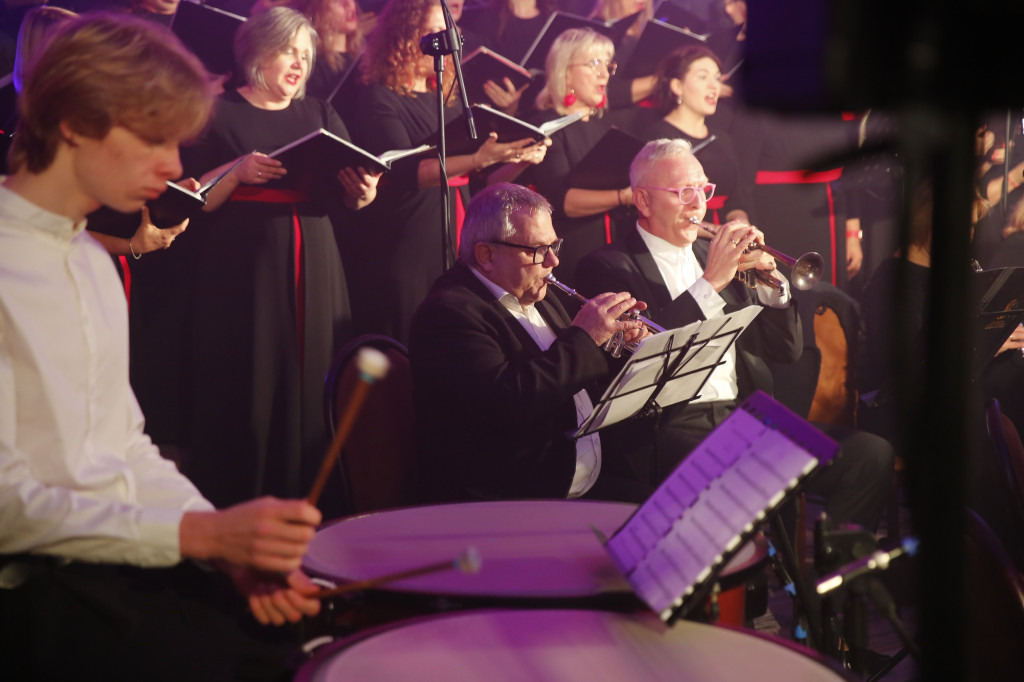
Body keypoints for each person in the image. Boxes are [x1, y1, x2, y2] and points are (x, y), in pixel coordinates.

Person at [0, 14, 322, 680]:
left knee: (312, 644)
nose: (176, 167)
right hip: (31, 601)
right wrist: (199, 536)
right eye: (154, 138)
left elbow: (125, 449)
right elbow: (6, 509)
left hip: (112, 569)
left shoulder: (89, 259)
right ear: (74, 123)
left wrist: (225, 545)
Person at [577, 139, 894, 530]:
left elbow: (786, 350)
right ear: (643, 201)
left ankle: (829, 573)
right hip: (669, 427)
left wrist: (772, 286)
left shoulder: (714, 259)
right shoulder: (607, 267)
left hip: (742, 414)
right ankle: (752, 579)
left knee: (869, 455)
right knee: (743, 478)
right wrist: (710, 282)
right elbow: (641, 353)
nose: (699, 205)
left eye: (704, 190)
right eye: (684, 192)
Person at [164, 7, 379, 515]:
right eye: (290, 52)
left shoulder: (321, 113)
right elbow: (190, 200)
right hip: (244, 265)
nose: (300, 64)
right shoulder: (218, 113)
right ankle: (243, 500)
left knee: (316, 374)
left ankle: (316, 498)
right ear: (257, 52)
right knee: (253, 376)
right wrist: (236, 171)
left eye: (306, 55)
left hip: (318, 254)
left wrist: (362, 193)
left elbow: (351, 194)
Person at [409, 182, 654, 503]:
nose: (553, 261)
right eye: (538, 250)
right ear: (486, 255)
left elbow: (568, 376)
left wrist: (616, 345)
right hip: (517, 497)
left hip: (585, 479)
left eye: (554, 246)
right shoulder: (448, 314)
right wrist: (585, 336)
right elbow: (509, 402)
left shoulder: (536, 292)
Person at [344, 0, 546, 344]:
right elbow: (410, 174)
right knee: (415, 332)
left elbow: (479, 182)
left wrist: (518, 157)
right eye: (431, 31)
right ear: (404, 35)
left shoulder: (448, 99)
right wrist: (479, 159)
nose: (442, 39)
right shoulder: (379, 97)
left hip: (461, 224)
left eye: (446, 32)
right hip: (410, 234)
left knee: (462, 331)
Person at [525, 27, 631, 283]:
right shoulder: (546, 127)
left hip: (612, 248)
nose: (603, 72)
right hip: (571, 251)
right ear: (565, 72)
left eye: (607, 65)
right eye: (594, 63)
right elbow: (564, 203)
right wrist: (624, 196)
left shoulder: (606, 128)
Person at [621, 45, 754, 226]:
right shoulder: (660, 138)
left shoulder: (723, 138)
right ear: (677, 86)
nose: (713, 85)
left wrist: (741, 224)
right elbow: (663, 210)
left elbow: (736, 202)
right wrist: (717, 232)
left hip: (723, 237)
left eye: (716, 78)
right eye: (702, 77)